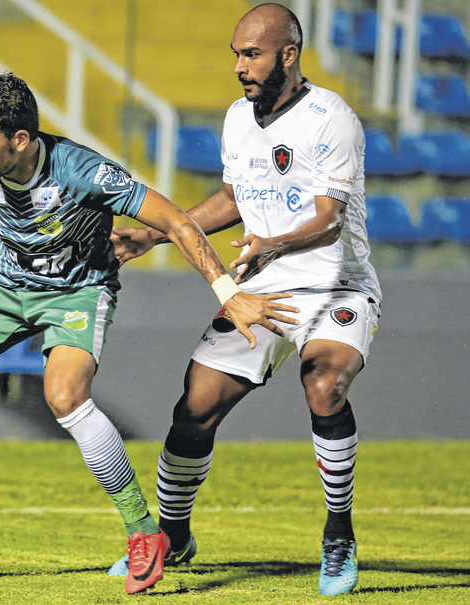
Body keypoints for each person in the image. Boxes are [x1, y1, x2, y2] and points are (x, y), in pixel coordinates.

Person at [0, 71, 298, 594]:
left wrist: (229, 292)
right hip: (2, 285)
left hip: (77, 291)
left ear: (21, 141)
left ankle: (145, 533)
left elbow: (178, 221)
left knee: (64, 396)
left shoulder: (82, 172)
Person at [107, 3, 380, 597]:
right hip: (261, 286)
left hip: (337, 284)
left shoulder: (332, 119)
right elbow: (233, 198)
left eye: (251, 53)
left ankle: (339, 535)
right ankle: (172, 536)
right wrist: (154, 234)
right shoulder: (237, 117)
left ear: (288, 54)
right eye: (235, 54)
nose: (239, 66)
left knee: (323, 385)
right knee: (194, 408)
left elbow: (330, 220)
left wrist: (273, 242)